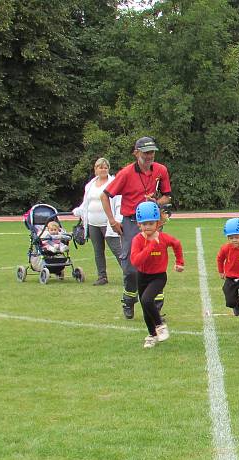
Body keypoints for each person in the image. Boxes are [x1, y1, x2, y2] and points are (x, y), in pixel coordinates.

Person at [101, 136, 172, 319]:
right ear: (136, 153)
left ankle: (155, 308)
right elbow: (105, 195)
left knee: (155, 263)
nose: (149, 156)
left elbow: (167, 197)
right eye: (146, 152)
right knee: (132, 267)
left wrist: (156, 201)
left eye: (152, 152)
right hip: (132, 223)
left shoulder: (161, 170)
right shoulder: (126, 173)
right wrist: (112, 221)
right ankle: (129, 299)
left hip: (154, 223)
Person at [129, 201, 184, 348]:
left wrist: (180, 262)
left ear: (157, 223)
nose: (148, 227)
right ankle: (151, 335)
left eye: (151, 224)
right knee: (145, 306)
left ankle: (160, 325)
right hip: (142, 276)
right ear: (139, 225)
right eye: (144, 224)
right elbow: (135, 260)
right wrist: (151, 245)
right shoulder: (137, 240)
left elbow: (176, 243)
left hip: (158, 276)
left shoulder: (164, 238)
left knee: (147, 300)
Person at [73, 157, 122, 285]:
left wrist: (117, 219)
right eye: (100, 167)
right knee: (98, 251)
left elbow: (118, 202)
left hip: (108, 223)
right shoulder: (90, 185)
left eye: (105, 167)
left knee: (118, 250)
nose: (103, 169)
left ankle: (129, 275)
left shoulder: (113, 183)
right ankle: (102, 277)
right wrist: (79, 211)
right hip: (93, 223)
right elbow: (86, 202)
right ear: (95, 169)